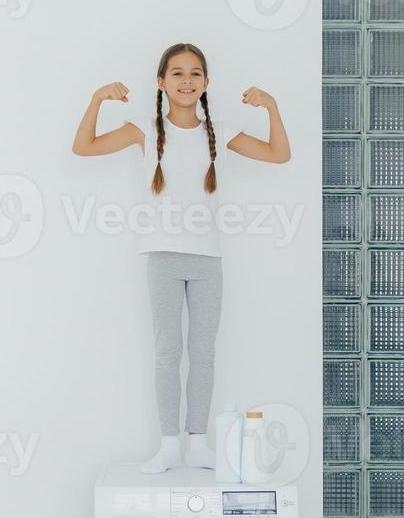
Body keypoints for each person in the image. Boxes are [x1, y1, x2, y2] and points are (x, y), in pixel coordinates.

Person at [72, 42, 291, 473]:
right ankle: (169, 443)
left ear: (206, 83)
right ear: (161, 82)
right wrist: (97, 99)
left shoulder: (221, 132)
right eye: (176, 73)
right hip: (163, 257)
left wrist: (273, 106)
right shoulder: (144, 131)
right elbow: (84, 147)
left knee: (204, 353)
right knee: (167, 352)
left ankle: (198, 443)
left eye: (194, 73)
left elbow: (279, 153)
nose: (186, 80)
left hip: (207, 259)